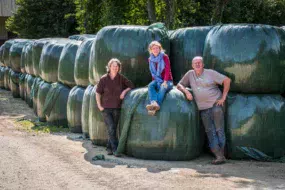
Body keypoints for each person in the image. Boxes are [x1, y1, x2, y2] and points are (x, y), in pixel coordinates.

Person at [177, 56, 231, 165]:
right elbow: (179, 84)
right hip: (203, 109)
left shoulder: (210, 73)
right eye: (195, 63)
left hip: (216, 105)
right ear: (192, 65)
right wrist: (186, 92)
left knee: (219, 130)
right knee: (210, 132)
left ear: (203, 64)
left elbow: (227, 80)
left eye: (199, 63)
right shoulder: (190, 74)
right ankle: (219, 155)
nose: (197, 64)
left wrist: (223, 97)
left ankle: (221, 155)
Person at [96, 58, 134, 157]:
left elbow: (131, 85)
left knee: (112, 128)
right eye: (113, 66)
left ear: (119, 68)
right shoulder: (104, 78)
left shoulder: (121, 78)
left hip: (117, 107)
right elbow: (98, 93)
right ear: (109, 67)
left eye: (117, 66)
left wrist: (124, 92)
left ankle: (108, 147)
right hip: (105, 108)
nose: (115, 68)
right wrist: (99, 106)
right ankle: (116, 149)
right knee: (111, 127)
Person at [146, 41, 173, 116]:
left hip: (168, 80)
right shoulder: (150, 59)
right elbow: (153, 72)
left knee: (162, 87)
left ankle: (155, 105)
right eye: (153, 48)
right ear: (151, 50)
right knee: (150, 85)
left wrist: (165, 81)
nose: (155, 50)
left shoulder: (164, 56)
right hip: (157, 80)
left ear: (160, 48)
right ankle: (153, 102)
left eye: (157, 48)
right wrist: (154, 82)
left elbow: (168, 70)